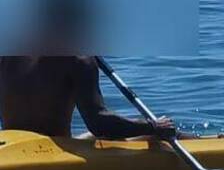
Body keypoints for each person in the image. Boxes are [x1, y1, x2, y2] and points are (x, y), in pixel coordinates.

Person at [0, 55, 178, 140]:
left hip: (9, 145)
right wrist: (152, 126)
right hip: (54, 151)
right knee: (158, 136)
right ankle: (200, 146)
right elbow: (99, 124)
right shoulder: (78, 58)